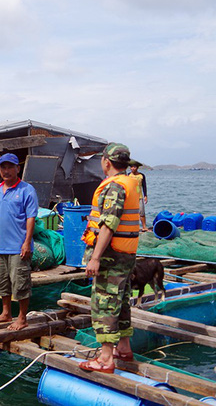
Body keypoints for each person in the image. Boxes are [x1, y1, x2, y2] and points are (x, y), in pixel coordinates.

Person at [79, 143, 140, 374]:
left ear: (106, 161)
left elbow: (108, 225)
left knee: (104, 302)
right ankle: (123, 348)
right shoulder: (131, 183)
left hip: (110, 255)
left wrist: (95, 258)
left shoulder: (114, 187)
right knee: (121, 300)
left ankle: (105, 359)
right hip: (126, 253)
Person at [0, 153, 38, 331]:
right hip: (0, 246)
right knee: (1, 281)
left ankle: (22, 318)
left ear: (18, 169)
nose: (6, 171)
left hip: (18, 247)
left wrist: (26, 242)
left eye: (10, 167)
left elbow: (31, 218)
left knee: (20, 282)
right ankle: (6, 313)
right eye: (3, 167)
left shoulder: (27, 190)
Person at [127, 160, 149, 232]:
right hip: (130, 197)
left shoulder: (141, 176)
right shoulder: (128, 175)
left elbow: (144, 186)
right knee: (132, 213)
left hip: (139, 196)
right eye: (131, 167)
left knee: (142, 212)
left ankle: (144, 226)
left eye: (134, 167)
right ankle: (134, 226)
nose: (132, 168)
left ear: (137, 168)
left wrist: (145, 195)